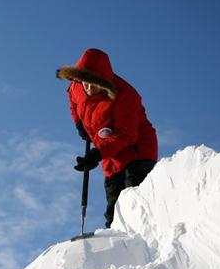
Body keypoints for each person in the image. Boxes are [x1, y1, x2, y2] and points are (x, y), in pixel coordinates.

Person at [58, 48, 158, 228]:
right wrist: (79, 123)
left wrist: (96, 154)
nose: (88, 87)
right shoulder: (77, 87)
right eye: (85, 82)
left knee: (136, 199)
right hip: (110, 155)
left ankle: (148, 244)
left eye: (94, 83)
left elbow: (126, 135)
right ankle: (116, 244)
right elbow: (73, 101)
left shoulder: (124, 95)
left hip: (137, 151)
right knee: (114, 206)